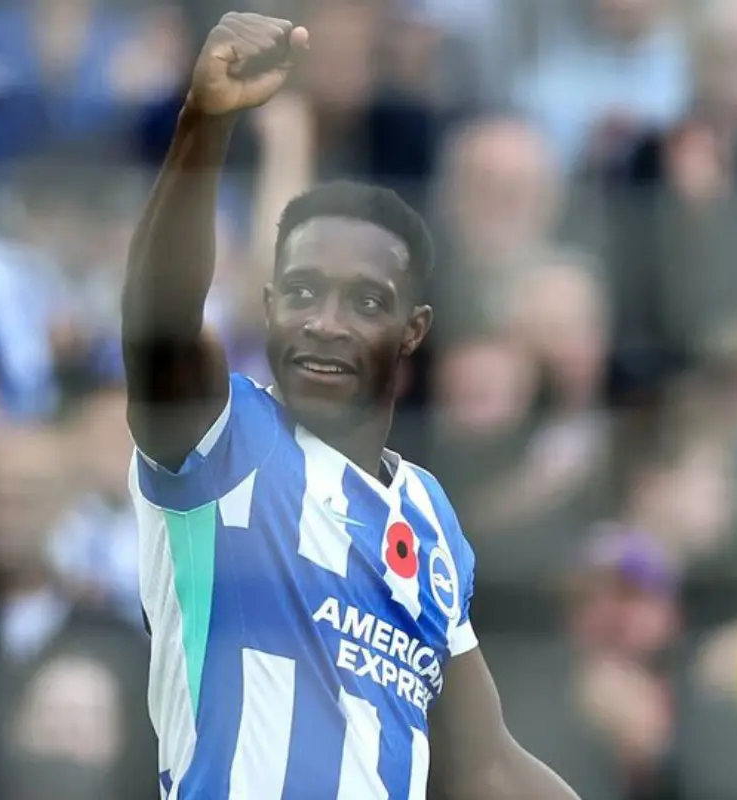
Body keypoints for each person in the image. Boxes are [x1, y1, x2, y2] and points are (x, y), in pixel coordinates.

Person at [120, 12, 577, 799]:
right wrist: (206, 123)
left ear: (413, 331)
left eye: (365, 302)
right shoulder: (219, 439)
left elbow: (487, 763)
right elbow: (158, 323)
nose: (325, 323)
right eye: (302, 293)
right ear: (269, 307)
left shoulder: (428, 516)